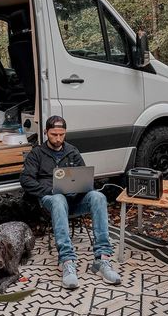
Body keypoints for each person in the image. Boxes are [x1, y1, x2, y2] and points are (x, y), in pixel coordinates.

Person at [20, 115, 121, 289]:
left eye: (61, 134)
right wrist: (49, 191)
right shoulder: (37, 153)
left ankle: (102, 260)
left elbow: (84, 176)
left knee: (98, 197)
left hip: (74, 200)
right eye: (54, 135)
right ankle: (67, 261)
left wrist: (83, 186)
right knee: (58, 199)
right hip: (52, 201)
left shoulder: (72, 151)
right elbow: (26, 180)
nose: (58, 139)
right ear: (46, 133)